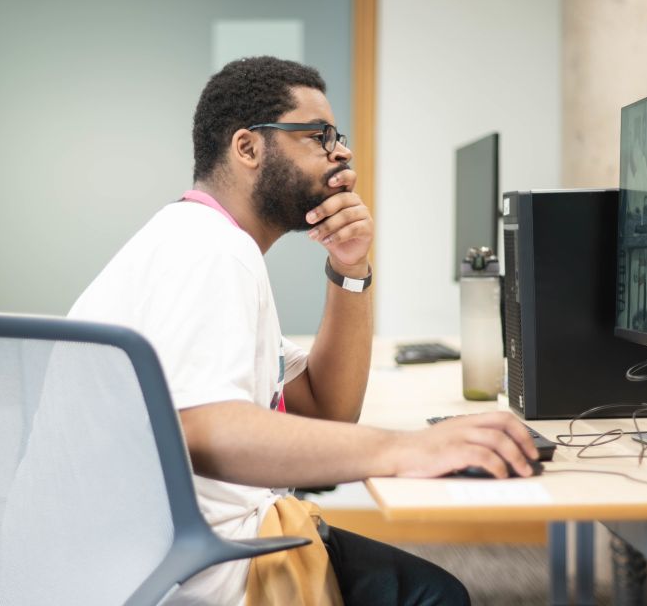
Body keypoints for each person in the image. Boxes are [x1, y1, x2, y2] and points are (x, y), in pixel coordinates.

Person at [69, 56, 538, 605]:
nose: (341, 153)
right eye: (318, 136)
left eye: (337, 137)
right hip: (183, 569)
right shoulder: (210, 252)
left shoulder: (204, 241)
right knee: (435, 595)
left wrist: (351, 267)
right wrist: (407, 449)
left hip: (143, 551)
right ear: (248, 148)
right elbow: (204, 430)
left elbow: (325, 406)